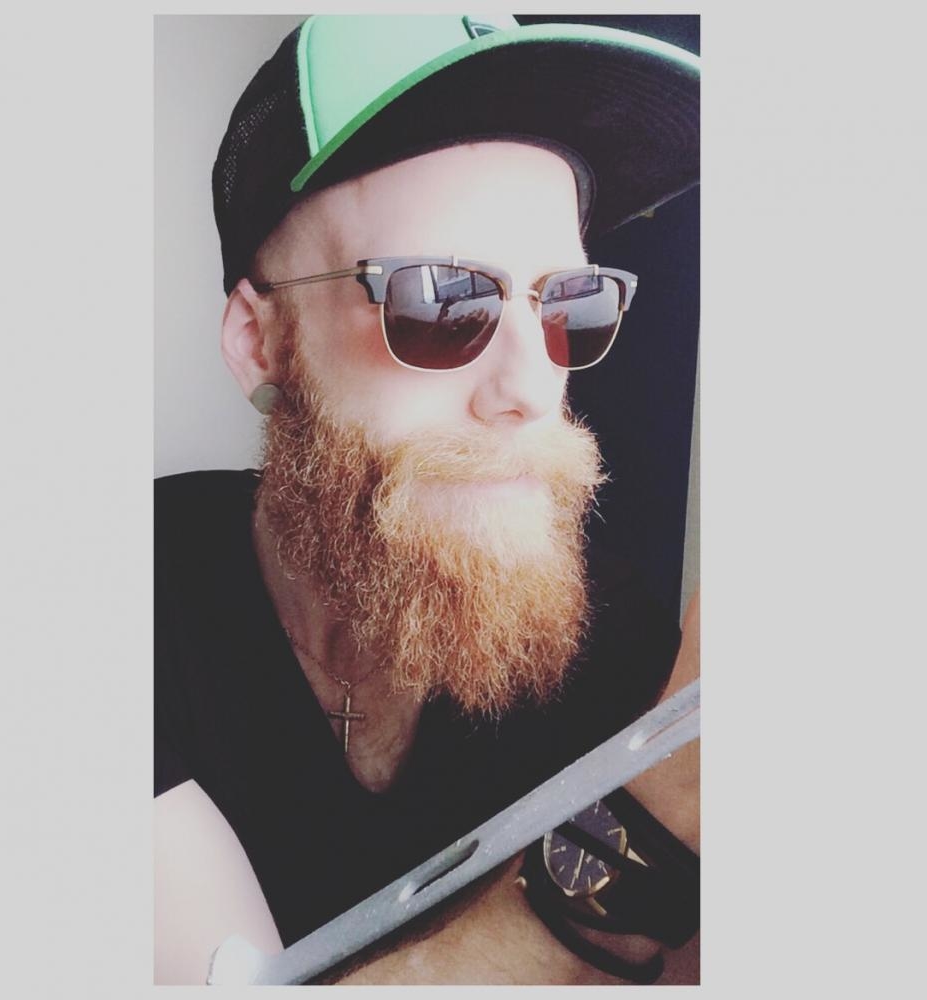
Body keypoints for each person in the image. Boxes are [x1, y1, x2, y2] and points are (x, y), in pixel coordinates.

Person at [154, 13, 700, 985]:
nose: (529, 388)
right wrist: (654, 818)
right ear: (259, 342)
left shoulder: (617, 645)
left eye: (567, 302)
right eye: (441, 299)